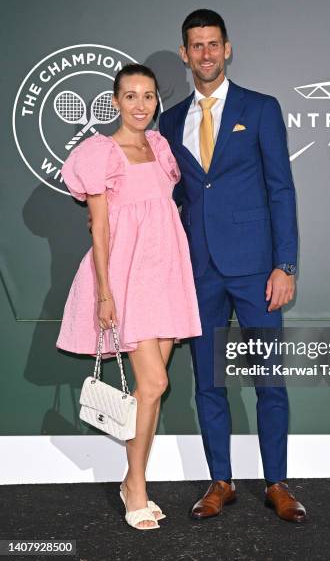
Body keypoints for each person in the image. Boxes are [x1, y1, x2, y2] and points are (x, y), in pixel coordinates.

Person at [159, 9, 306, 522]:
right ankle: (220, 480)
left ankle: (277, 483)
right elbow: (169, 196)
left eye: (213, 44)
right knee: (207, 383)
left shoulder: (261, 108)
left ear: (227, 48)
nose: (205, 54)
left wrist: (284, 264)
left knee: (269, 380)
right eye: (196, 46)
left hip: (255, 269)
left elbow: (280, 189)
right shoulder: (170, 120)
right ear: (185, 53)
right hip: (199, 271)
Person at [56, 63, 201, 530]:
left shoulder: (160, 147)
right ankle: (135, 487)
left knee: (149, 391)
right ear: (116, 102)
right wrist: (104, 292)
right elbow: (99, 224)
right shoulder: (100, 152)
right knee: (155, 384)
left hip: (166, 273)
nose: (140, 105)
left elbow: (164, 209)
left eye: (148, 96)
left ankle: (132, 481)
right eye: (131, 96)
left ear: (156, 101)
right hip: (127, 276)